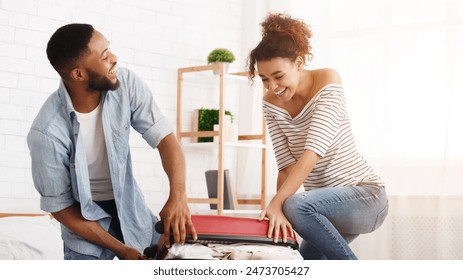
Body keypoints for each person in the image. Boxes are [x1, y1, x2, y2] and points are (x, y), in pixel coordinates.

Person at [27, 23, 197, 260]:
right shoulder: (46, 132)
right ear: (79, 74)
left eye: (110, 50)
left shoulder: (126, 84)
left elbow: (166, 139)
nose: (114, 59)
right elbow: (61, 208)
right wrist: (122, 250)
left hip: (132, 210)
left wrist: (178, 196)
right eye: (105, 56)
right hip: (84, 225)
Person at [247, 13, 388, 260]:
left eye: (278, 76)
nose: (271, 87)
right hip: (323, 207)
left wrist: (278, 204)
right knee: (306, 264)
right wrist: (278, 215)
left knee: (294, 205)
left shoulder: (327, 81)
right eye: (264, 79)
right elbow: (286, 167)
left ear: (299, 63)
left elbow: (312, 152)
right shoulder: (270, 103)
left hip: (366, 197)